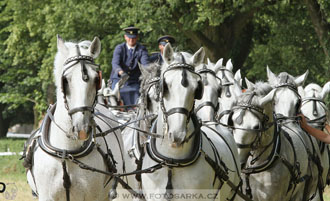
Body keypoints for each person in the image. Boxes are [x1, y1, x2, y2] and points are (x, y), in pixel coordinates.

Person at [110, 26, 149, 106]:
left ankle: (136, 112)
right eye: (129, 37)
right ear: (125, 37)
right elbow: (115, 63)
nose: (131, 40)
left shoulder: (142, 49)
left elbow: (145, 64)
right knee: (114, 96)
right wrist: (121, 72)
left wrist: (148, 73)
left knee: (140, 94)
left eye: (133, 38)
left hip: (134, 81)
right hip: (119, 79)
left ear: (137, 37)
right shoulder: (119, 48)